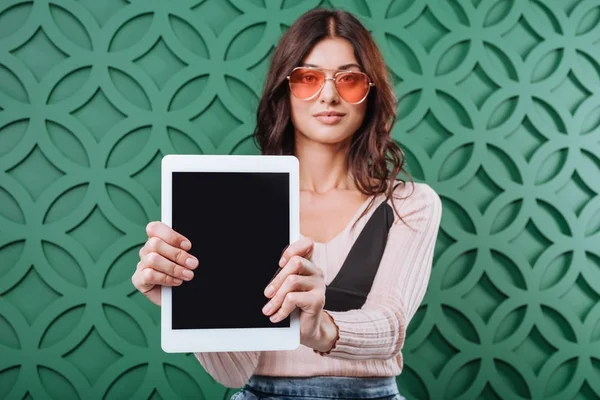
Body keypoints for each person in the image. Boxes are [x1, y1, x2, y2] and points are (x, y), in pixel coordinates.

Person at [132, 8, 442, 400]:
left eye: (348, 79)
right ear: (285, 90)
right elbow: (233, 373)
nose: (328, 94)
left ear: (370, 94)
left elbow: (391, 327)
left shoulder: (408, 204)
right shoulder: (236, 203)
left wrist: (319, 327)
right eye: (308, 78)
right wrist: (183, 304)